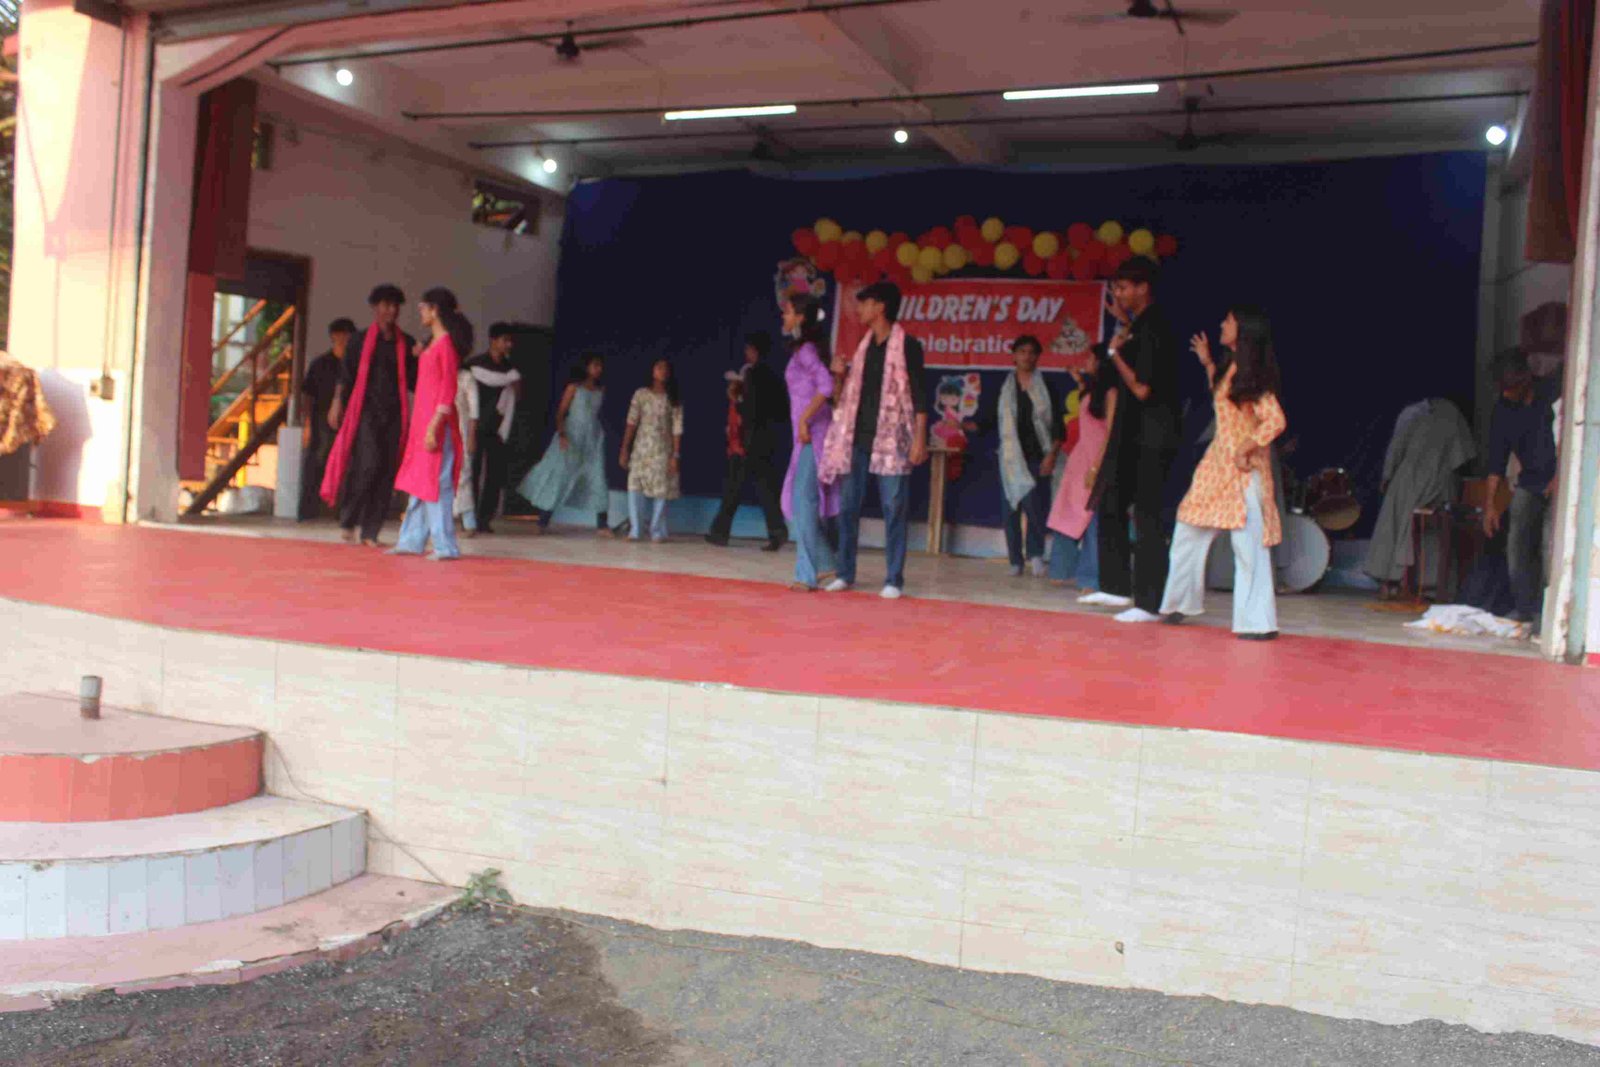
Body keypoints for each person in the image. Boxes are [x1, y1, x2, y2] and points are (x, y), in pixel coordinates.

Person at [1148, 306, 1287, 639]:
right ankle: (1179, 603)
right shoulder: (1232, 369)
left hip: (1242, 470)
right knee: (1187, 530)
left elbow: (1275, 420)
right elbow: (1222, 398)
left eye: (1229, 321)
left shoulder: (1253, 376)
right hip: (1215, 467)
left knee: (1248, 547)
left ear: (1243, 330)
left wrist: (1246, 447)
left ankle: (1257, 623)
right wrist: (1208, 363)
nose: (1222, 325)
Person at [1080, 256, 1181, 622]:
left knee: (1148, 516)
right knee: (1111, 501)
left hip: (1154, 435)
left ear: (1142, 288)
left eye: (1123, 288)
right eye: (1116, 288)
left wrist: (1113, 353)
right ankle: (1116, 586)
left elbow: (1141, 388)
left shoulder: (1156, 326)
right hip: (1132, 433)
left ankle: (1150, 603)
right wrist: (1123, 329)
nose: (1118, 294)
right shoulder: (1137, 325)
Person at [819, 281, 929, 600]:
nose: (860, 309)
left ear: (880, 307)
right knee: (848, 507)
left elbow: (920, 394)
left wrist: (919, 438)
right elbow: (845, 398)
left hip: (893, 439)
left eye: (865, 303)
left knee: (894, 507)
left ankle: (894, 579)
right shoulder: (863, 346)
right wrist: (840, 375)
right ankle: (845, 573)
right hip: (858, 440)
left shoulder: (908, 345)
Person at [321, 285, 418, 546]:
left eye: (395, 305)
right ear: (375, 308)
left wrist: (422, 357)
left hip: (395, 414)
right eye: (386, 305)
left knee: (386, 470)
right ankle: (349, 520)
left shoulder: (407, 343)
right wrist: (336, 402)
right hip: (365, 412)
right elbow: (345, 375)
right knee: (367, 465)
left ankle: (370, 531)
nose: (391, 310)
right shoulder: (359, 340)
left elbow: (414, 381)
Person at [390, 288, 471, 561]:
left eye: (423, 307)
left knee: (437, 484)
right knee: (420, 482)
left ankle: (445, 546)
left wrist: (434, 426)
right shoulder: (433, 345)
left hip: (435, 425)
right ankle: (411, 541)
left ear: (435, 310)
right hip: (423, 422)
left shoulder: (446, 345)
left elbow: (447, 389)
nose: (420, 312)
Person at [1483, 348, 1560, 631]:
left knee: (1549, 546)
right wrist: (1490, 506)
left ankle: (1547, 615)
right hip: (1529, 481)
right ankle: (1525, 609)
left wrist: (1559, 478)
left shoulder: (1550, 395)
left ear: (1525, 377)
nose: (1506, 392)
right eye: (1503, 387)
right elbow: (1496, 460)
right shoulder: (1503, 409)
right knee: (1517, 545)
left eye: (1511, 386)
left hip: (1557, 481)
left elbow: (1567, 436)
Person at [707, 332, 789, 552]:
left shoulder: (753, 375)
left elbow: (751, 409)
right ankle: (777, 530)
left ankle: (720, 532)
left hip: (751, 440)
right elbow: (781, 409)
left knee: (735, 485)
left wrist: (737, 401)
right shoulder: (774, 375)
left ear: (754, 350)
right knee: (766, 488)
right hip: (769, 438)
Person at [780, 294, 840, 591]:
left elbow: (827, 386)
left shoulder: (806, 350)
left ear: (800, 317)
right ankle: (827, 563)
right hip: (804, 434)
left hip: (813, 433)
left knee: (803, 501)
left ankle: (806, 573)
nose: (784, 316)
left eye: (788, 312)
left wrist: (805, 419)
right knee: (799, 500)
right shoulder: (804, 349)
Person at [517, 354, 611, 535]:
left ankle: (602, 524)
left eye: (600, 366)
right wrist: (562, 435)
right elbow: (560, 413)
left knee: (597, 476)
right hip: (572, 436)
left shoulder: (601, 390)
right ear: (586, 367)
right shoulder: (574, 388)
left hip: (593, 439)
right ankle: (543, 520)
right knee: (560, 476)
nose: (598, 369)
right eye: (595, 365)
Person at [1047, 350, 1117, 589]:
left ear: (1100, 363)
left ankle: (1091, 577)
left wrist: (1097, 467)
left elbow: (1110, 433)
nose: (1086, 362)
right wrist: (1079, 380)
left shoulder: (1111, 393)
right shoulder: (1093, 391)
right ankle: (1062, 569)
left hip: (1096, 461)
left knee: (1092, 518)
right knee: (1065, 512)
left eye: (1090, 359)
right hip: (1079, 460)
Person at [996, 335, 1061, 577]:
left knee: (1036, 508)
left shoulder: (1047, 385)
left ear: (1038, 357)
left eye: (1032, 352)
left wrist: (1051, 455)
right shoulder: (1004, 387)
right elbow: (992, 419)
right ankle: (1015, 560)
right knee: (1010, 509)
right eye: (1022, 351)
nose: (1027, 356)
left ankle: (1036, 555)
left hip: (1038, 456)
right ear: (1014, 355)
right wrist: (967, 426)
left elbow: (1058, 425)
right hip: (1010, 459)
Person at [463, 324, 521, 533]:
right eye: (505, 340)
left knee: (495, 475)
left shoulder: (510, 370)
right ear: (493, 340)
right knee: (472, 472)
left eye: (510, 341)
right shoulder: (474, 365)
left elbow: (517, 397)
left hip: (498, 428)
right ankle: (469, 517)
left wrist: (515, 387)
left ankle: (484, 519)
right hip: (476, 425)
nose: (508, 344)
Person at [620, 358, 683, 542]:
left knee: (660, 489)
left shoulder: (673, 398)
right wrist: (625, 448)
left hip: (662, 450)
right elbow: (631, 422)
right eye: (659, 367)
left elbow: (677, 428)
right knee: (635, 486)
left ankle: (657, 531)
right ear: (652, 370)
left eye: (666, 368)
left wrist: (675, 455)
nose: (663, 371)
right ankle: (636, 530)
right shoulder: (641, 394)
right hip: (641, 448)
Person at [298, 317, 354, 521]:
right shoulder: (320, 364)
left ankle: (340, 512)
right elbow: (307, 394)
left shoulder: (354, 366)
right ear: (333, 337)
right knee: (316, 462)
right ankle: (308, 512)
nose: (344, 339)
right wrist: (306, 424)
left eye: (348, 335)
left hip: (347, 423)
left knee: (346, 466)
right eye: (341, 335)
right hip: (320, 422)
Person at [453, 361, 480, 538]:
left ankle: (469, 523)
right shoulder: (437, 374)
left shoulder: (466, 378)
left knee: (463, 475)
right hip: (440, 432)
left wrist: (471, 436)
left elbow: (474, 411)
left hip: (461, 431)